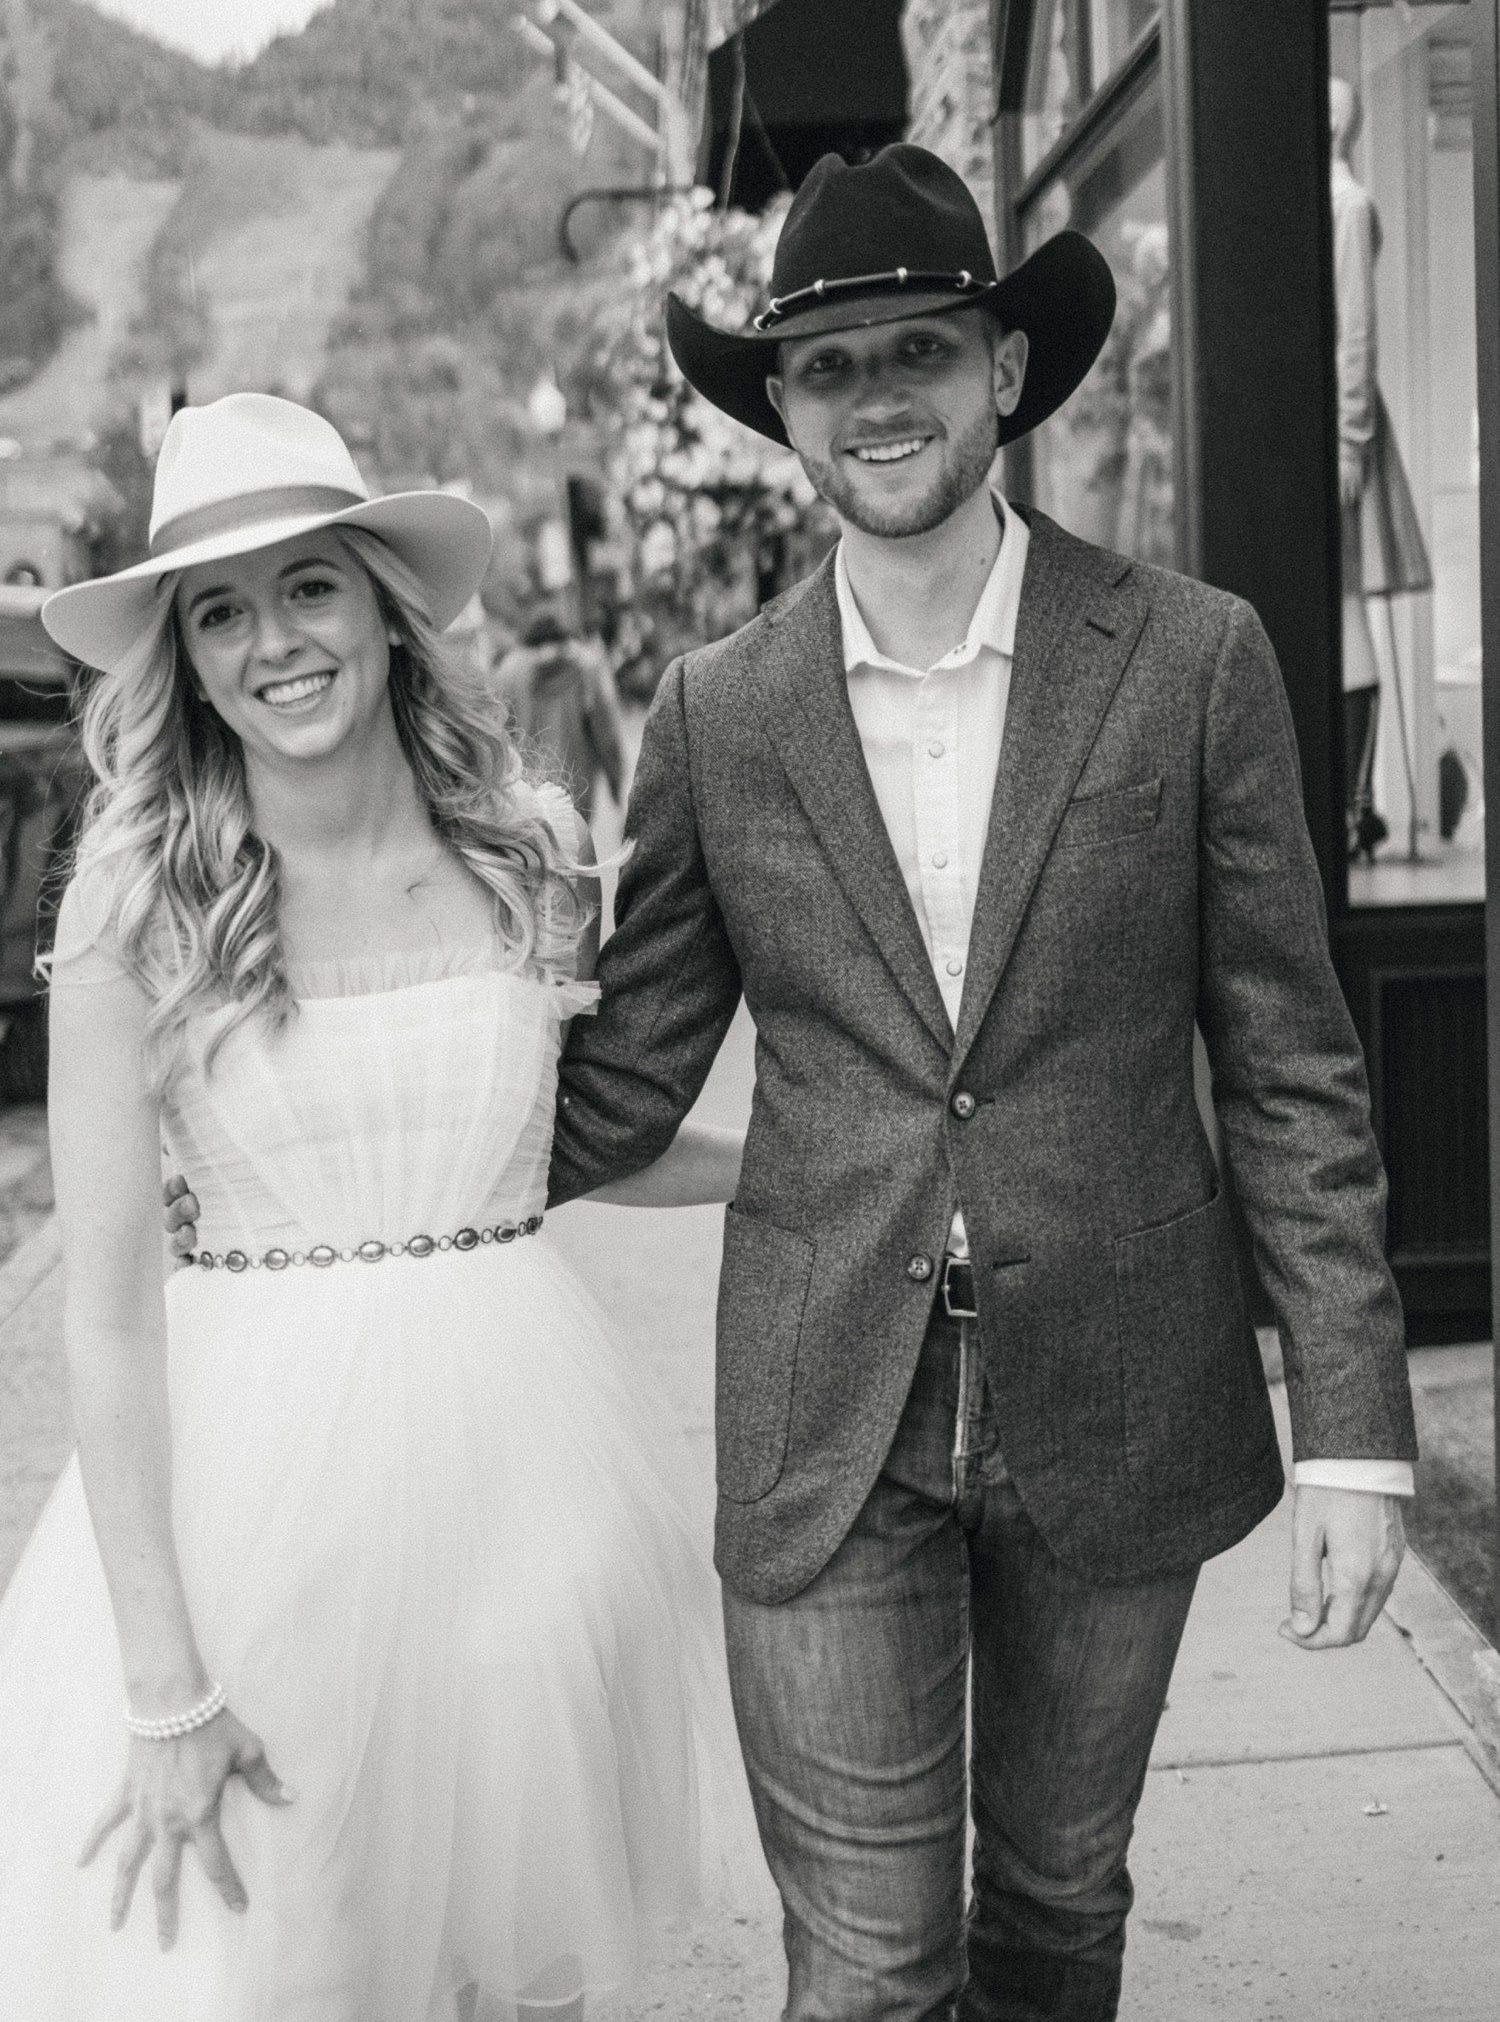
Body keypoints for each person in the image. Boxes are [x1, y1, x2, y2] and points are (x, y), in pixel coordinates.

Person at [539, 145, 1417, 2019]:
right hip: (824, 1409)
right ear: (781, 407)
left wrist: (1352, 1423)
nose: (882, 401)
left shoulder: (1191, 661)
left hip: (1121, 1384)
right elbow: (621, 1078)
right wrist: (347, 1119)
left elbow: (1289, 1064)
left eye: (921, 349)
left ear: (1006, 372)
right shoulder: (718, 712)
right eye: (833, 367)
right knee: (864, 1971)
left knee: (1054, 1911)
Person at [0, 392, 757, 2019]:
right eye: (221, 609)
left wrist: (808, 1163)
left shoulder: (525, 848)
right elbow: (109, 1312)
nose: (275, 641)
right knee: (299, 1960)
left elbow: (560, 1145)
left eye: (311, 587)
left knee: (515, 1956)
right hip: (265, 1528)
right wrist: (161, 1681)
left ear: (384, 608)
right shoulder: (136, 907)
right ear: (184, 658)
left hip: (530, 1494)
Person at [1329, 75, 1432, 863]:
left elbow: (1356, 333)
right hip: (1328, 422)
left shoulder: (1347, 204)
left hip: (1339, 427)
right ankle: (1346, 807)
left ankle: (1353, 807)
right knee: (1340, 610)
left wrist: (1349, 440)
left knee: (1349, 611)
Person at [494, 604, 627, 827]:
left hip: (524, 799)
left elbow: (496, 736)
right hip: (576, 797)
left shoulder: (508, 671)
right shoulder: (587, 667)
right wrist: (617, 787)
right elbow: (607, 733)